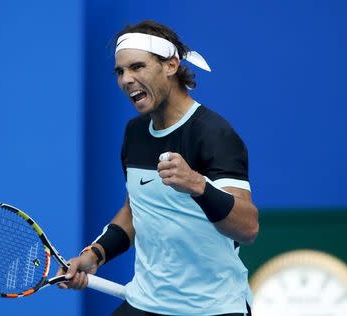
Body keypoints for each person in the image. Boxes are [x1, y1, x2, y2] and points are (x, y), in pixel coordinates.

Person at [57, 20, 259, 316]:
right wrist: (95, 255)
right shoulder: (135, 133)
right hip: (145, 302)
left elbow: (248, 228)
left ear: (171, 65)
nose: (126, 79)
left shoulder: (213, 134)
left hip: (211, 308)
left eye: (137, 67)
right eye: (120, 71)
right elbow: (135, 209)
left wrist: (198, 186)